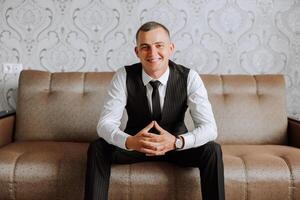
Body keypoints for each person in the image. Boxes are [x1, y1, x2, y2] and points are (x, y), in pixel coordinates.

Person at [84, 21, 225, 200]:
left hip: (176, 146)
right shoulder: (123, 76)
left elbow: (210, 128)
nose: (153, 53)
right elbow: (105, 124)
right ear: (137, 52)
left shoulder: (190, 77)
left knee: (212, 150)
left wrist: (177, 142)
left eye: (159, 46)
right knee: (98, 148)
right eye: (145, 47)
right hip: (136, 144)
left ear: (170, 48)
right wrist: (130, 142)